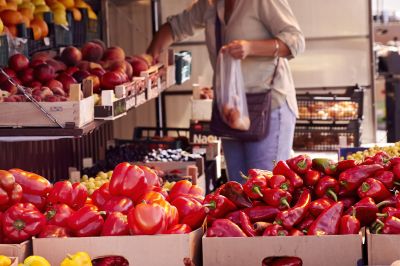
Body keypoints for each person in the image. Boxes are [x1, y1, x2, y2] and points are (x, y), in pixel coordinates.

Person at [147, 0, 305, 183]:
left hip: (268, 106)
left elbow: (296, 41)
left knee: (267, 189)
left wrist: (250, 47)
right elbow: (174, 27)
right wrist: (149, 58)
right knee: (238, 189)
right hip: (231, 109)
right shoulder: (211, 5)